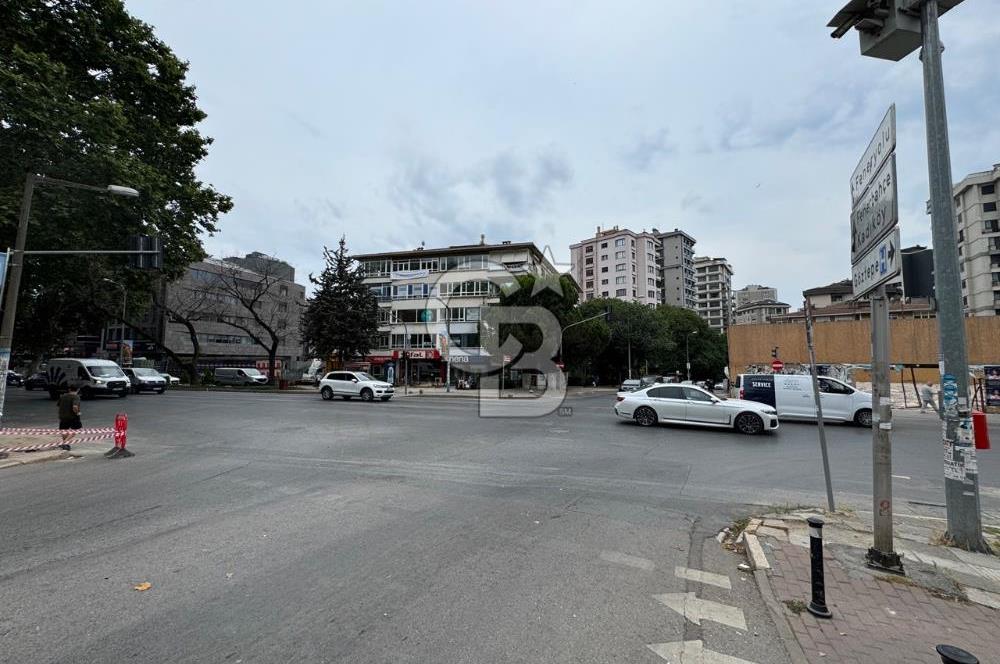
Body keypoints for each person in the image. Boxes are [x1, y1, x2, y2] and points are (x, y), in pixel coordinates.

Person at [57, 385, 82, 450]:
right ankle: (65, 443)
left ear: (69, 389)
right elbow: (75, 406)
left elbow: (58, 405)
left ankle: (65, 444)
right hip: (72, 416)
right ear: (78, 390)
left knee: (64, 430)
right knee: (76, 429)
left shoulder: (63, 396)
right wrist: (77, 413)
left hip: (62, 416)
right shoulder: (76, 397)